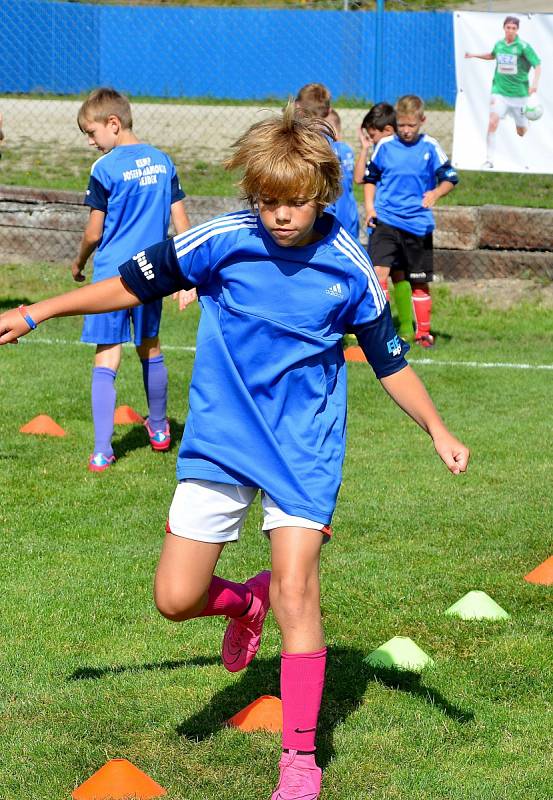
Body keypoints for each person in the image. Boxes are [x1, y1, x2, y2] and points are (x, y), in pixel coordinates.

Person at [0, 103, 469, 800]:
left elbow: (389, 361)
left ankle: (300, 759)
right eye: (269, 201)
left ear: (323, 196)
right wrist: (37, 310)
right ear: (254, 195)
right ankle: (241, 607)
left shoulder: (346, 267)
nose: (281, 216)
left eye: (296, 203)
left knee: (296, 590)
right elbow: (130, 283)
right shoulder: (221, 240)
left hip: (302, 449)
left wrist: (435, 428)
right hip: (221, 442)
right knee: (175, 597)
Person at [71, 87, 190, 471]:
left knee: (107, 356)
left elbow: (93, 232)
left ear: (113, 124)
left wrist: (79, 262)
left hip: (110, 277)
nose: (91, 143)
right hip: (152, 272)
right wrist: (186, 277)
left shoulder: (104, 169)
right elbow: (182, 224)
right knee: (150, 347)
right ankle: (158, 429)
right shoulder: (162, 161)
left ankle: (103, 450)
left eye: (91, 133)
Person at [362, 95, 458, 346]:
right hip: (386, 221)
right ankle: (377, 332)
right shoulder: (385, 146)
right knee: (377, 275)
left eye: (411, 126)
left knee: (418, 282)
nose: (406, 131)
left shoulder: (430, 147)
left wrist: (436, 192)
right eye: (402, 125)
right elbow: (370, 179)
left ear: (422, 121)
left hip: (417, 225)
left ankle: (423, 333)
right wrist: (370, 209)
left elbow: (450, 177)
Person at [465, 16, 541, 169]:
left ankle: (525, 126)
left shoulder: (523, 47)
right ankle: (489, 160)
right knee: (492, 122)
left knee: (521, 132)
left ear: (517, 30)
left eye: (514, 28)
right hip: (499, 91)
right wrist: (474, 55)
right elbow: (492, 56)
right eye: (508, 27)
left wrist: (534, 84)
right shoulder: (499, 45)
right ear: (504, 28)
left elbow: (537, 64)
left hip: (519, 94)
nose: (511, 30)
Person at [295, 83, 359, 239]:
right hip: (348, 220)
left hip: (318, 223)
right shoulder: (340, 148)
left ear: (297, 107)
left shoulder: (299, 145)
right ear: (329, 111)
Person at [353, 102, 397, 301]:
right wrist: (365, 148)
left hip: (394, 221)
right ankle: (384, 321)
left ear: (388, 130)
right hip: (379, 221)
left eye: (373, 136)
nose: (371, 140)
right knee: (380, 273)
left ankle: (405, 325)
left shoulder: (394, 152)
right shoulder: (378, 151)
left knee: (398, 275)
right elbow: (359, 178)